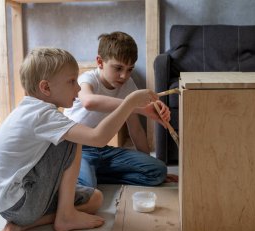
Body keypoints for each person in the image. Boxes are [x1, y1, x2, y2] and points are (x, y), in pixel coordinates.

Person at [0, 47, 159, 231]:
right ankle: (65, 216)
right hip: (21, 203)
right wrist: (129, 103)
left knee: (95, 199)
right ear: (46, 88)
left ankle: (37, 222)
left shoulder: (29, 109)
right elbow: (97, 137)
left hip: (14, 206)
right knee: (72, 137)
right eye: (72, 81)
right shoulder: (42, 115)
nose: (77, 88)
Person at [64, 31, 178, 188]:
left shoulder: (128, 85)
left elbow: (136, 130)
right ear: (100, 62)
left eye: (129, 69)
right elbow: (89, 102)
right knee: (86, 190)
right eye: (118, 68)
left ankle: (95, 176)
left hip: (102, 150)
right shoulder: (88, 79)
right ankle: (85, 177)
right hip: (76, 150)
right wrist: (135, 106)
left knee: (158, 171)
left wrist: (146, 162)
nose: (124, 75)